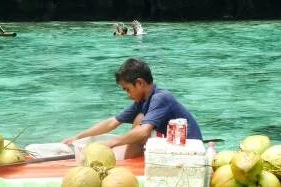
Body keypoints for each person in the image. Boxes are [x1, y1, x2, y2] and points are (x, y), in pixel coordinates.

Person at [63, 58, 201, 158]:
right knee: (139, 117)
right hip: (174, 146)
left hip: (188, 151)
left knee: (140, 119)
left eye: (127, 89)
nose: (128, 95)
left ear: (139, 83)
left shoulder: (161, 98)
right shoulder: (142, 101)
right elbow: (112, 122)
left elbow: (143, 132)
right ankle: (130, 158)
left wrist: (112, 142)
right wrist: (78, 137)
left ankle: (130, 161)